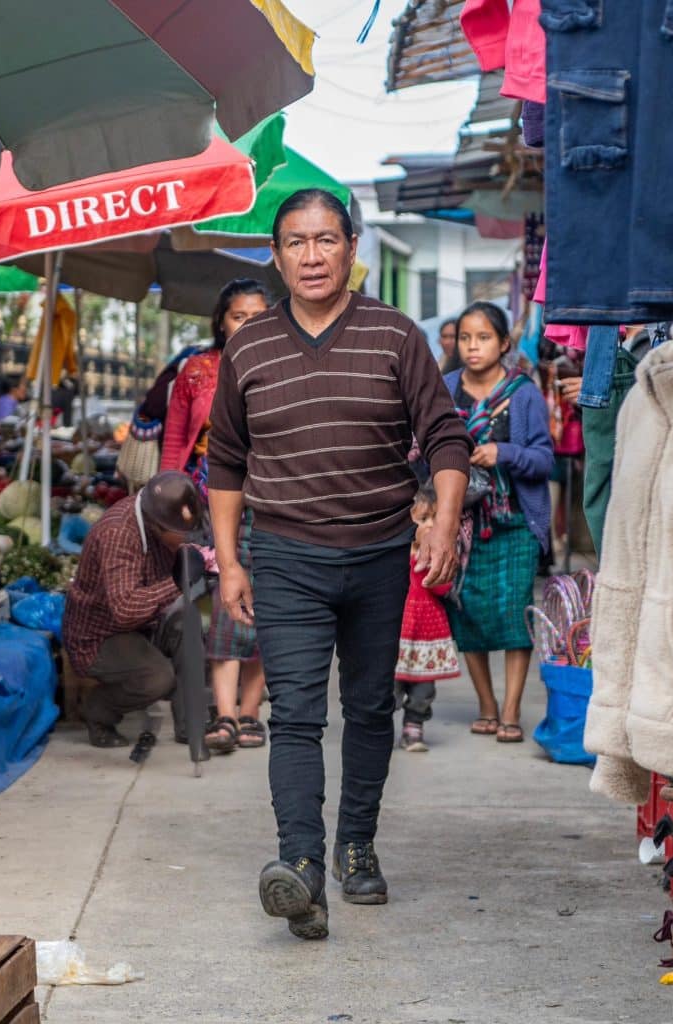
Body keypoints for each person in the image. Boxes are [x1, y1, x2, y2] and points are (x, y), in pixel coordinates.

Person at [207, 188, 471, 940]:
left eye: (327, 240)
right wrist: (229, 562)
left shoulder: (394, 335)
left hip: (381, 553)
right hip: (286, 556)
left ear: (353, 247)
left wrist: (442, 522)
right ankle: (301, 868)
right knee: (293, 713)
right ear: (277, 254)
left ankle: (356, 845)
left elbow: (446, 438)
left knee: (367, 708)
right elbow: (225, 460)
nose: (312, 255)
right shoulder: (249, 346)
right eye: (296, 242)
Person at [161, 279, 272, 754]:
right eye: (238, 316)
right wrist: (166, 501)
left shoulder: (283, 366)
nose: (248, 324)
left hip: (271, 506)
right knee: (226, 611)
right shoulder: (197, 370)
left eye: (257, 315)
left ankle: (251, 712)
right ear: (221, 322)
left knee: (269, 612)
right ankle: (223, 714)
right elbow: (174, 439)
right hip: (207, 507)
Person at [444, 301, 554, 743]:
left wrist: (502, 453)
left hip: (514, 526)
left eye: (484, 337)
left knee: (513, 618)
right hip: (462, 528)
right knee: (467, 615)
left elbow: (545, 460)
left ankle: (510, 711)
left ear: (504, 343)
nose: (473, 347)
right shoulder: (445, 389)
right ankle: (486, 704)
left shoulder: (524, 393)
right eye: (466, 338)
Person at [63, 471, 204, 749]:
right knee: (157, 678)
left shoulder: (159, 521)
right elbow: (125, 609)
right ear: (157, 525)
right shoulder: (118, 534)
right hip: (99, 636)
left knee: (189, 622)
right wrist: (177, 582)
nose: (187, 537)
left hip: (144, 626)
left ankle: (192, 724)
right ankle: (98, 712)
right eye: (181, 534)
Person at [394, 482, 460, 753]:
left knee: (423, 689)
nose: (430, 525)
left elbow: (442, 588)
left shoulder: (435, 558)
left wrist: (431, 562)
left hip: (426, 635)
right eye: (423, 519)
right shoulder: (396, 555)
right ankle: (377, 728)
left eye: (434, 518)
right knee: (388, 687)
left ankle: (414, 727)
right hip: (398, 634)